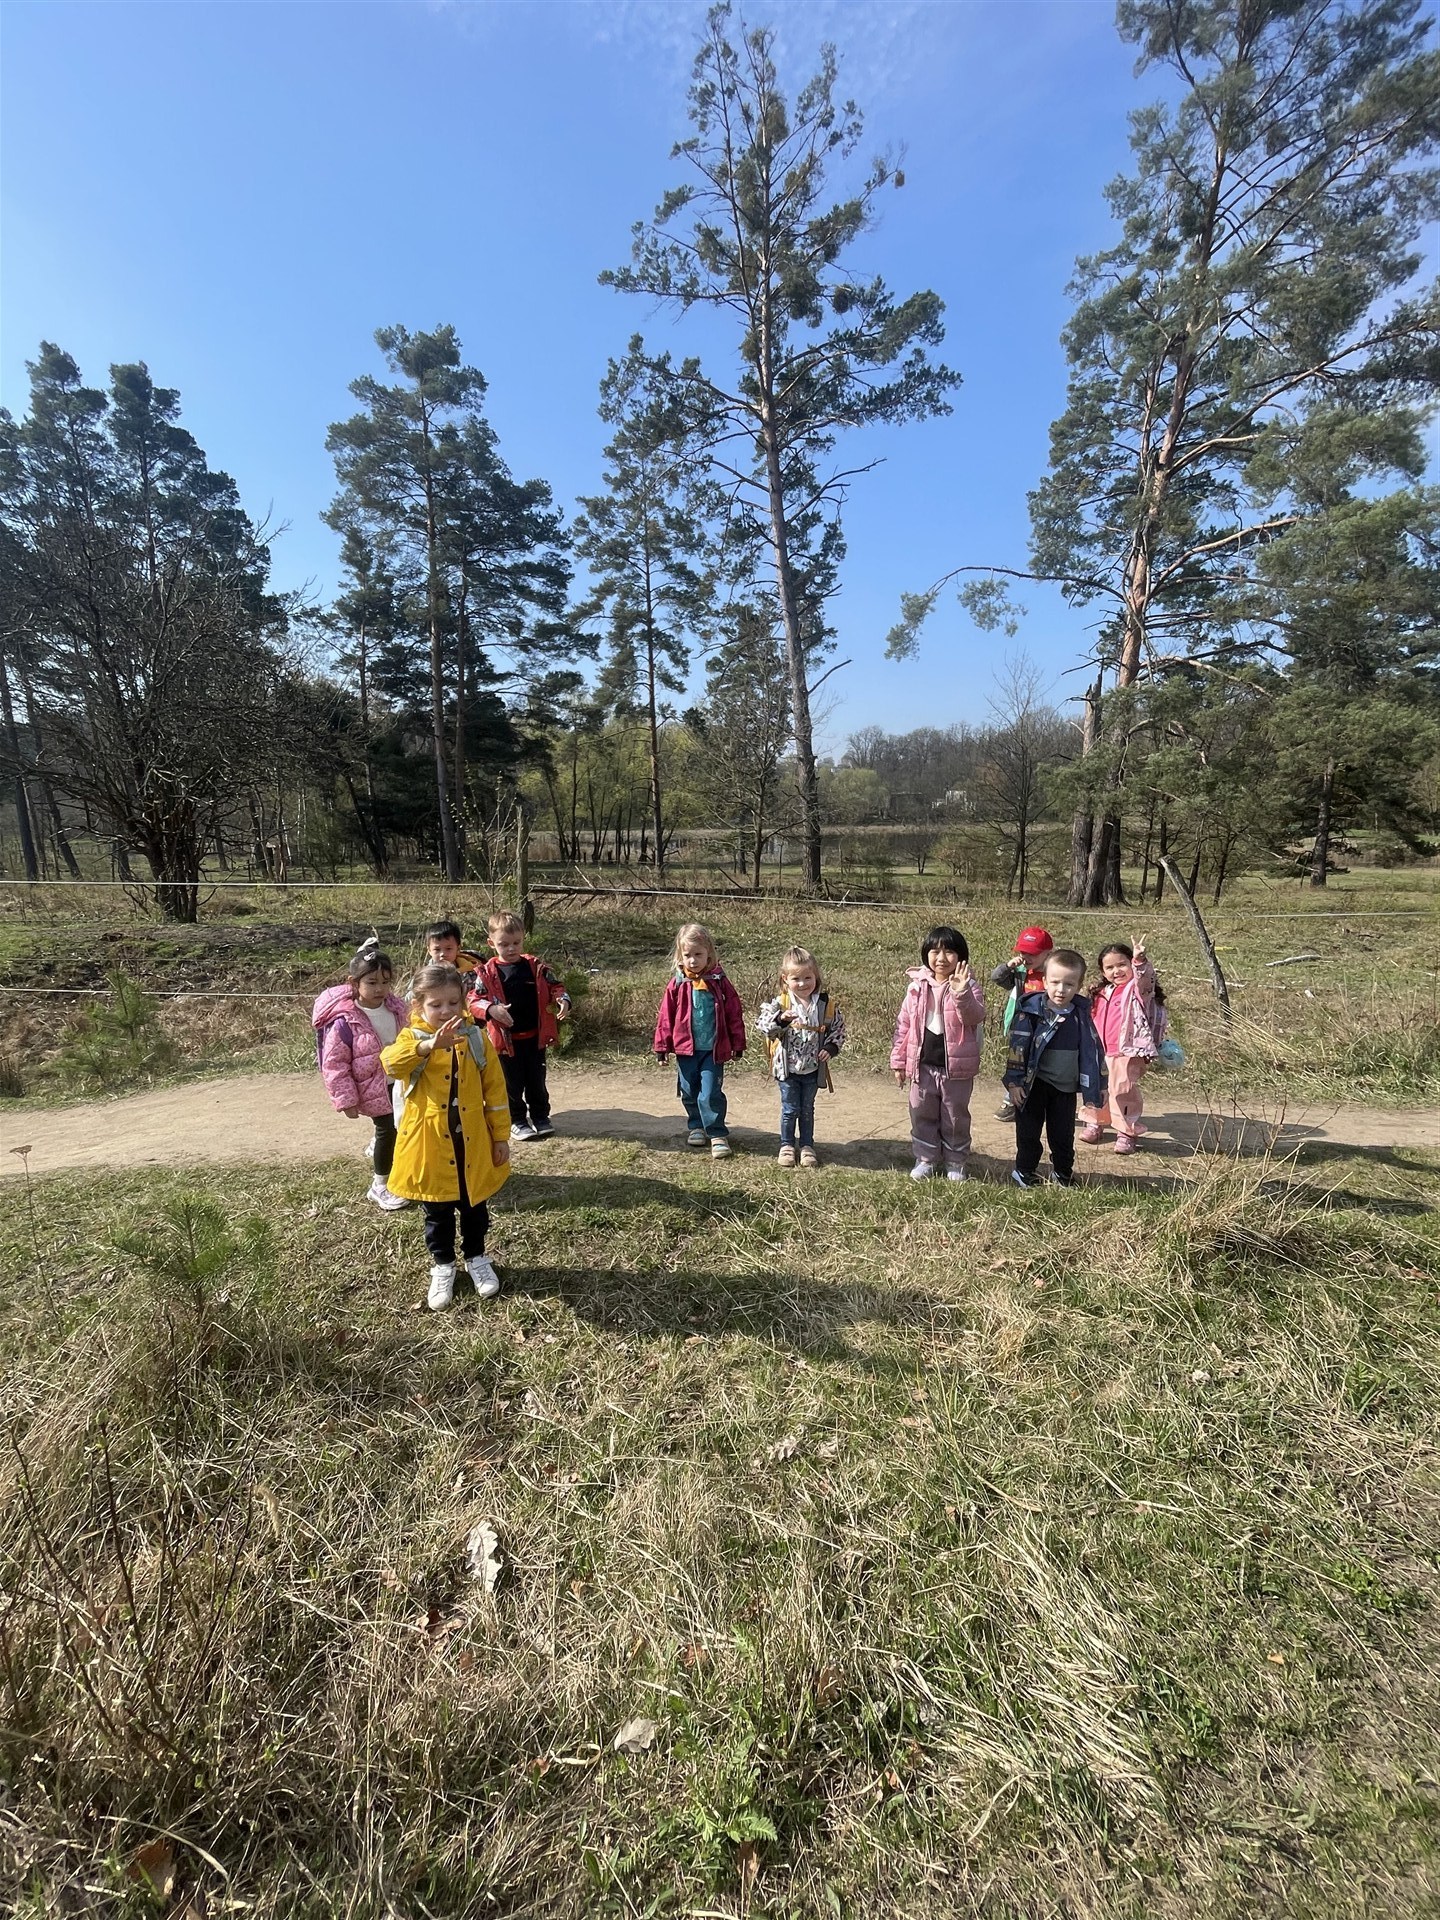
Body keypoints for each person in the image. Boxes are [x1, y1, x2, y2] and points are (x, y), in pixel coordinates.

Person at [381, 963, 512, 1311]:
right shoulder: (411, 1038)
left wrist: (500, 1137)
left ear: (464, 1002)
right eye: (436, 1004)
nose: (446, 1011)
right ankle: (443, 1265)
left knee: (475, 1209)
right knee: (436, 1213)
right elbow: (390, 1064)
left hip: (472, 1145)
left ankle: (477, 1258)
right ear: (418, 1005)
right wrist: (427, 1047)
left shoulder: (476, 1039)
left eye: (453, 1002)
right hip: (429, 1147)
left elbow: (495, 1092)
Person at [312, 944, 411, 1212]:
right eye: (372, 982)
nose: (380, 988)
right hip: (373, 1088)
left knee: (405, 1128)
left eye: (385, 982)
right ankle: (380, 1185)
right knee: (387, 1130)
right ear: (353, 983)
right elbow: (334, 1064)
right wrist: (346, 1100)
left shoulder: (398, 1009)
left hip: (401, 1084)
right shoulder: (345, 1021)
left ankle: (403, 1174)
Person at [1004, 948, 1107, 1189]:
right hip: (1033, 1085)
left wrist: (1100, 1084)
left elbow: (1094, 1052)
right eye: (1055, 982)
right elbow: (1017, 1048)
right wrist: (1014, 1082)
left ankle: (1062, 1174)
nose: (1061, 990)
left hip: (1065, 1088)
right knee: (1029, 1132)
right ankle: (1024, 1171)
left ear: (1079, 985)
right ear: (1044, 981)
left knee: (1062, 1134)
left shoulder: (1081, 1016)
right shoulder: (1031, 1011)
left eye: (1069, 984)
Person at [890, 925, 985, 1182]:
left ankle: (955, 1161)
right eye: (935, 951)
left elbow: (974, 1017)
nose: (941, 958)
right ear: (926, 954)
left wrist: (961, 992)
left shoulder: (970, 986)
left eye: (949, 952)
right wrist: (899, 1060)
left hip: (956, 1069)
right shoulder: (916, 986)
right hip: (922, 1066)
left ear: (961, 956)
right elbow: (904, 1025)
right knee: (922, 1112)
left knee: (955, 1116)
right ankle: (926, 1158)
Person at [468, 911, 571, 1142]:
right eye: (504, 944)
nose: (511, 948)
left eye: (516, 943)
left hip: (535, 1039)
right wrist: (491, 1010)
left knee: (536, 1080)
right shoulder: (486, 973)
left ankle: (541, 1117)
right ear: (491, 943)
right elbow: (473, 1000)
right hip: (505, 1043)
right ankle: (517, 1120)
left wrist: (563, 1000)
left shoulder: (535, 967)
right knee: (511, 1085)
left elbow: (556, 986)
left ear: (524, 938)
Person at [653, 922, 746, 1160]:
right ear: (680, 956)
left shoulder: (719, 981)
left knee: (710, 1092)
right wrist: (662, 1046)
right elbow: (665, 1017)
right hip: (686, 1050)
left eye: (698, 954)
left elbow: (734, 1013)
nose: (693, 960)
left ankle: (717, 1134)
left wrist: (737, 1043)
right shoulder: (677, 984)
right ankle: (696, 1126)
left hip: (713, 1049)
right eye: (688, 955)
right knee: (689, 1090)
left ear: (709, 954)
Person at [756, 947, 846, 1169]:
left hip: (813, 1069)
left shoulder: (825, 1005)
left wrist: (831, 1047)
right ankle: (786, 1145)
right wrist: (781, 1020)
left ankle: (807, 1146)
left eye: (808, 977)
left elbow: (838, 1029)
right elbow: (763, 1025)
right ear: (785, 979)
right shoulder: (781, 1003)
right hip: (787, 1069)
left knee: (807, 1109)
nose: (803, 983)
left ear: (816, 977)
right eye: (796, 979)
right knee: (790, 1109)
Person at [1080, 938, 1166, 1154]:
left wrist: (1140, 961)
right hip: (1100, 1051)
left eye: (1122, 964)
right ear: (1103, 971)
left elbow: (1145, 980)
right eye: (1109, 967)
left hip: (1127, 1051)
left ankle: (1126, 1132)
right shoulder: (1101, 992)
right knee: (1096, 1087)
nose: (1116, 971)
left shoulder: (1136, 990)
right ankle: (1095, 1122)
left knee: (1122, 1091)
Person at [990, 926, 1054, 1123]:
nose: (1026, 957)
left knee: (1040, 1064)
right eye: (1023, 952)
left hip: (1044, 1027)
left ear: (1048, 953)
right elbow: (997, 978)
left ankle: (1038, 1101)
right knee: (1016, 1062)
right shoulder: (1020, 972)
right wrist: (1008, 966)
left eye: (1032, 953)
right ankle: (1011, 1100)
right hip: (1020, 1027)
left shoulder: (1054, 974)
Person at [423, 919, 485, 993]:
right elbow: (412, 997)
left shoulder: (472, 970)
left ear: (458, 948)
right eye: (437, 949)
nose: (442, 954)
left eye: (448, 949)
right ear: (429, 950)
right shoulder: (425, 977)